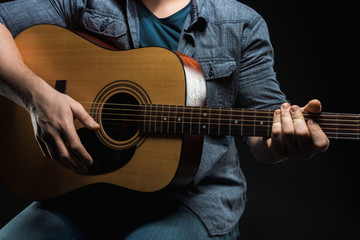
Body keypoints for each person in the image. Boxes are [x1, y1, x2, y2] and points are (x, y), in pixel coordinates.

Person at [0, 0, 330, 239]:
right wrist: (36, 97)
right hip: (79, 194)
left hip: (191, 202)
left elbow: (263, 137)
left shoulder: (241, 22)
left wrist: (284, 143)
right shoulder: (82, 2)